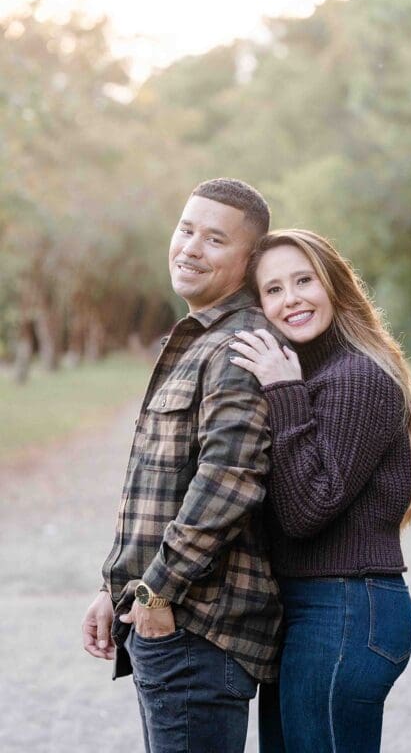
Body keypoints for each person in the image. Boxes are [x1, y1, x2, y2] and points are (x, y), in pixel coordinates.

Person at [80, 178, 283, 752]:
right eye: (186, 228)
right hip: (168, 621)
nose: (191, 247)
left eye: (215, 239)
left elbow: (229, 482)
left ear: (248, 264)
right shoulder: (196, 339)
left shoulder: (237, 346)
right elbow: (158, 489)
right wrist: (113, 587)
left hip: (199, 629)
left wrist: (155, 594)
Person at [227, 229, 411, 752]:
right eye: (272, 289)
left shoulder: (357, 376)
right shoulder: (309, 372)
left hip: (344, 608)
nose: (290, 298)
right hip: (309, 610)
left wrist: (283, 392)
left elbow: (308, 509)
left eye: (303, 280)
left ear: (334, 285)